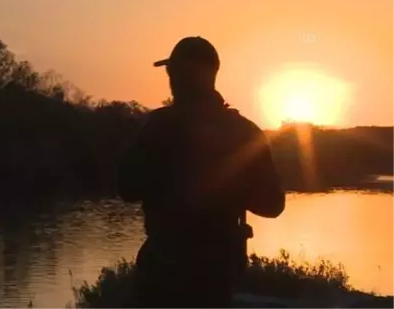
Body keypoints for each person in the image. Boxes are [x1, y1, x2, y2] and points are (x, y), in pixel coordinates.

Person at [117, 36, 285, 309]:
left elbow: (126, 188)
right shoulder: (244, 131)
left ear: (184, 75)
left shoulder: (159, 126)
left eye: (173, 72)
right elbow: (273, 205)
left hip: (165, 269)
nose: (170, 79)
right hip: (217, 272)